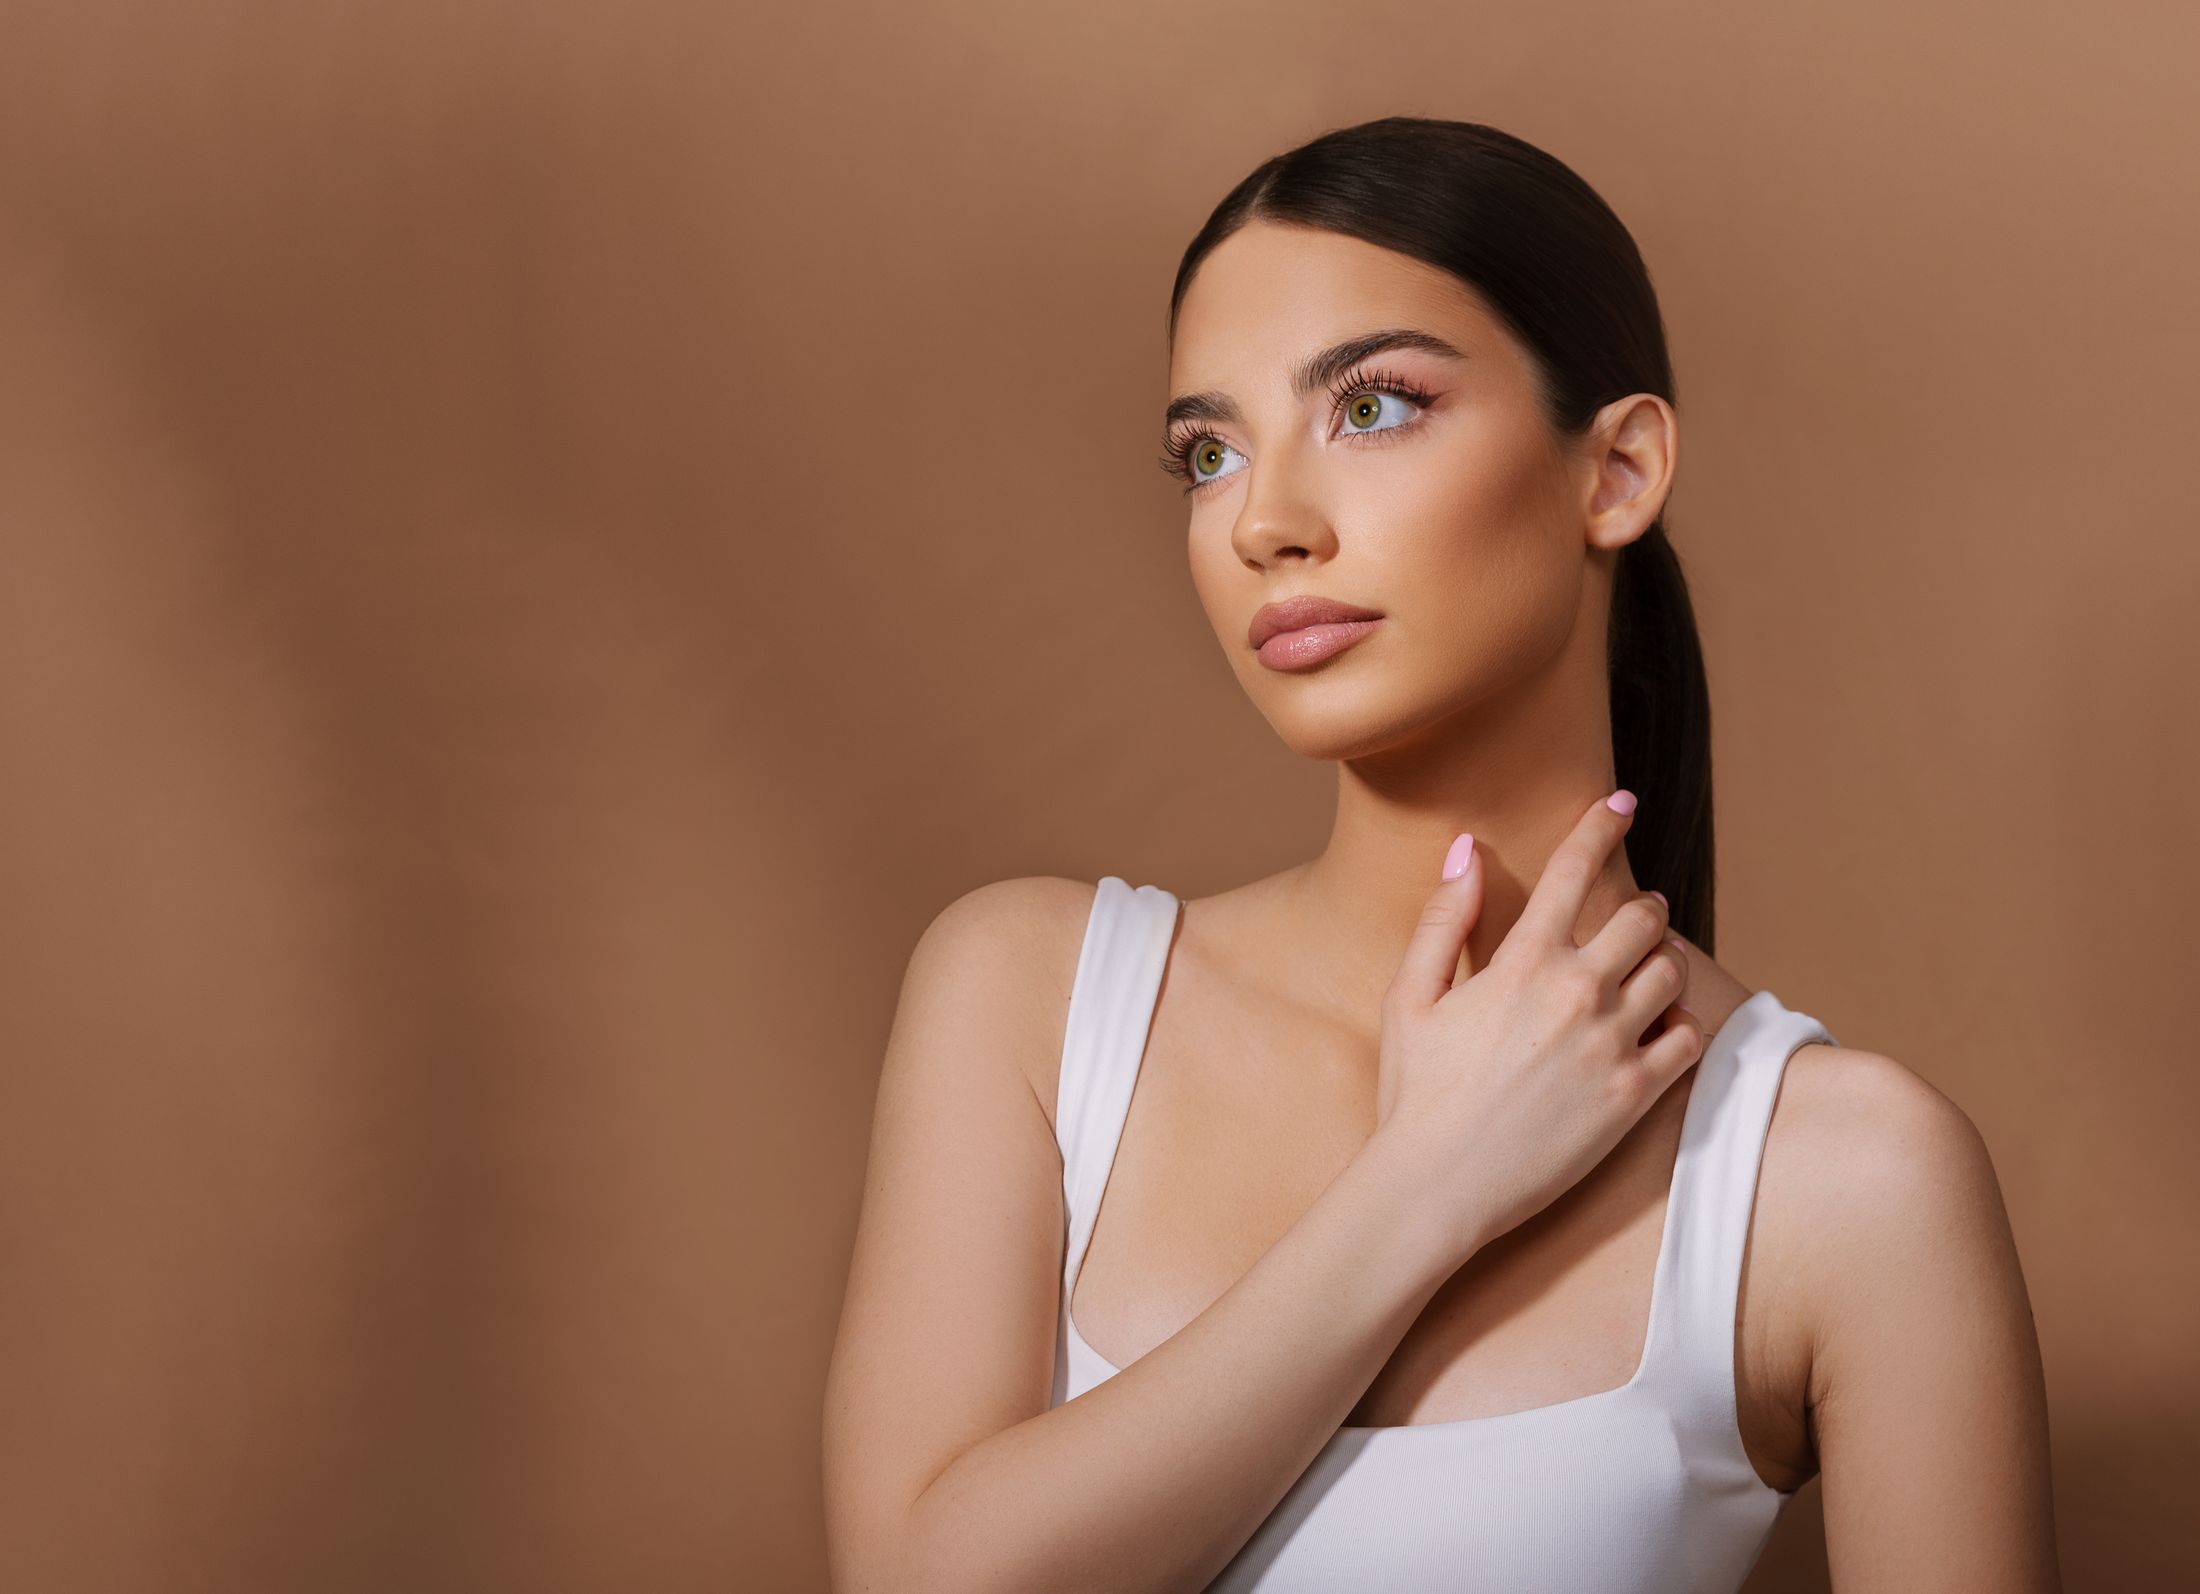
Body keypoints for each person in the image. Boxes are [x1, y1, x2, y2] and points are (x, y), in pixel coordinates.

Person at [822, 116, 2060, 1592]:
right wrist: (1427, 1182)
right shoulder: (1031, 997)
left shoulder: (1840, 1175)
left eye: (1373, 407)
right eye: (1209, 453)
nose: (1268, 522)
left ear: (1617, 472)